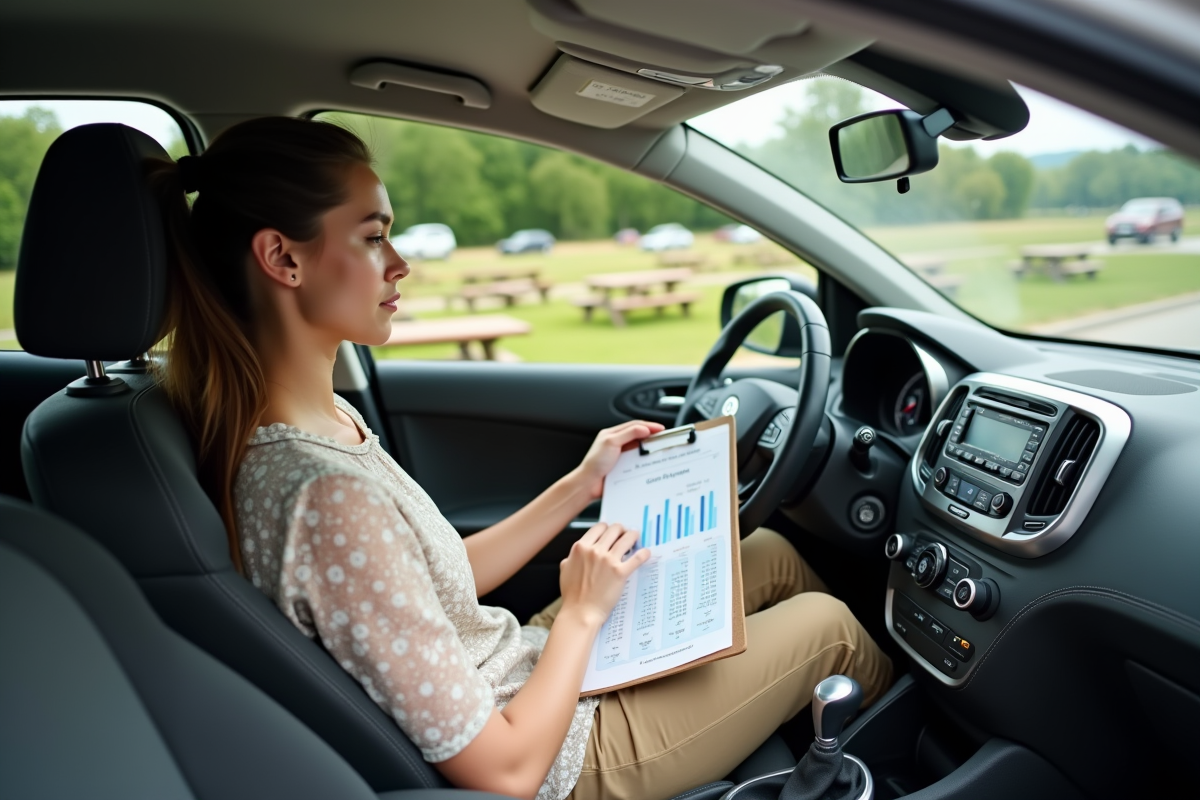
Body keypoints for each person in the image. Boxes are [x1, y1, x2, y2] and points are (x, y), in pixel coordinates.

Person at [147, 117, 892, 800]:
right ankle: (915, 773)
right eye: (373, 237)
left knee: (760, 550)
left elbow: (433, 582)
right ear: (282, 257)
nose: (400, 263)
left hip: (522, 668)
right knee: (826, 621)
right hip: (562, 752)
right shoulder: (321, 493)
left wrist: (580, 485)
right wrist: (583, 617)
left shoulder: (320, 422)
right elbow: (504, 773)